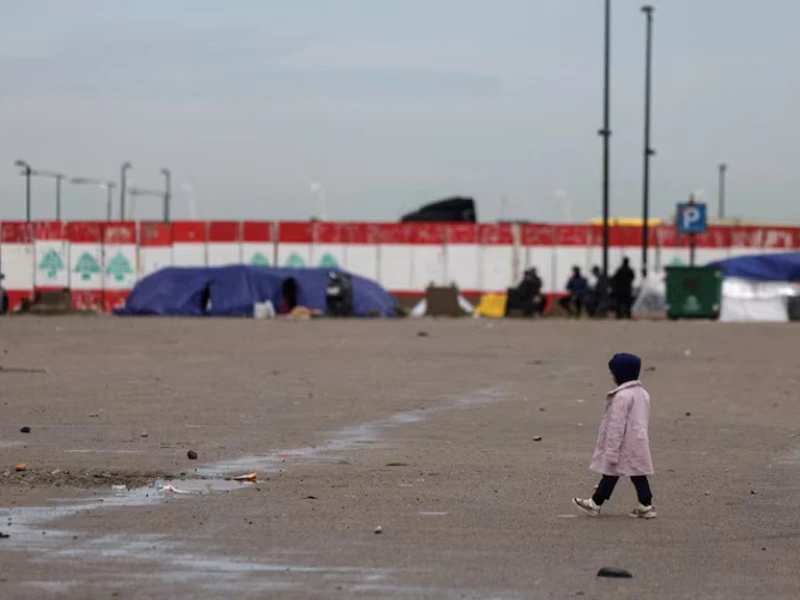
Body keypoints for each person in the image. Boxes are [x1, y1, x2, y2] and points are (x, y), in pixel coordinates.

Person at [572, 352, 656, 519]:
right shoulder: (642, 394)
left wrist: (611, 450)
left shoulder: (623, 396)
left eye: (613, 373)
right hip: (638, 440)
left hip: (623, 442)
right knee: (638, 473)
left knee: (610, 472)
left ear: (620, 373)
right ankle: (646, 504)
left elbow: (616, 426)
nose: (612, 376)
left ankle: (595, 503)